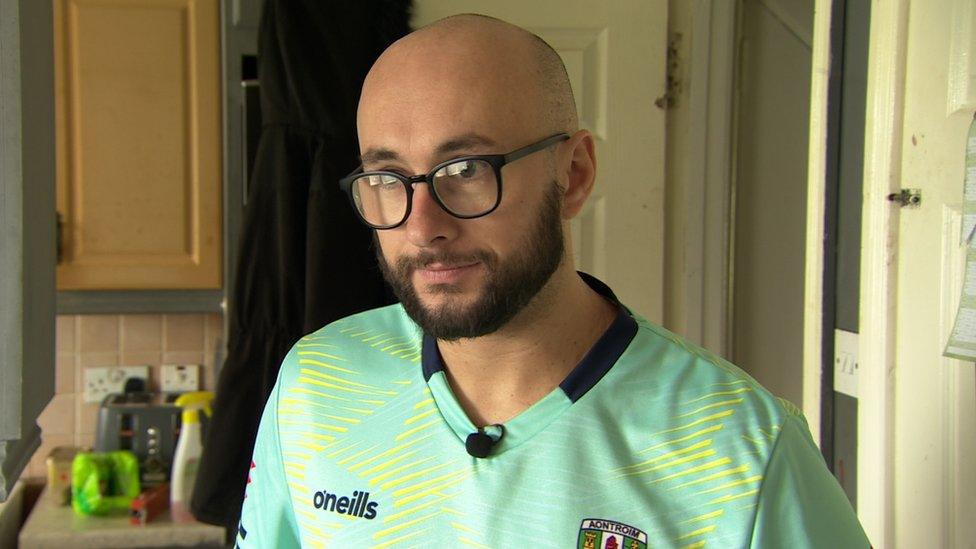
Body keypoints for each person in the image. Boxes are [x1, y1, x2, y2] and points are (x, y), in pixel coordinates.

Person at [236, 14, 869, 548]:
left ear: (575, 173)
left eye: (467, 169)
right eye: (387, 178)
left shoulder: (743, 451)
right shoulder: (315, 383)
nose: (423, 225)